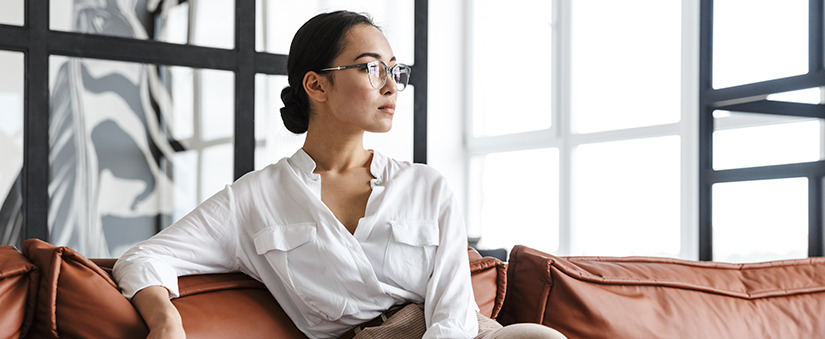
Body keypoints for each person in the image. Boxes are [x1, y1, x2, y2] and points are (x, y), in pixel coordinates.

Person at [113, 10, 566, 339]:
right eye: (372, 68)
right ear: (316, 85)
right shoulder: (254, 199)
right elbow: (142, 259)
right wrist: (166, 321)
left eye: (395, 71)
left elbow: (454, 315)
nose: (391, 85)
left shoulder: (427, 187)